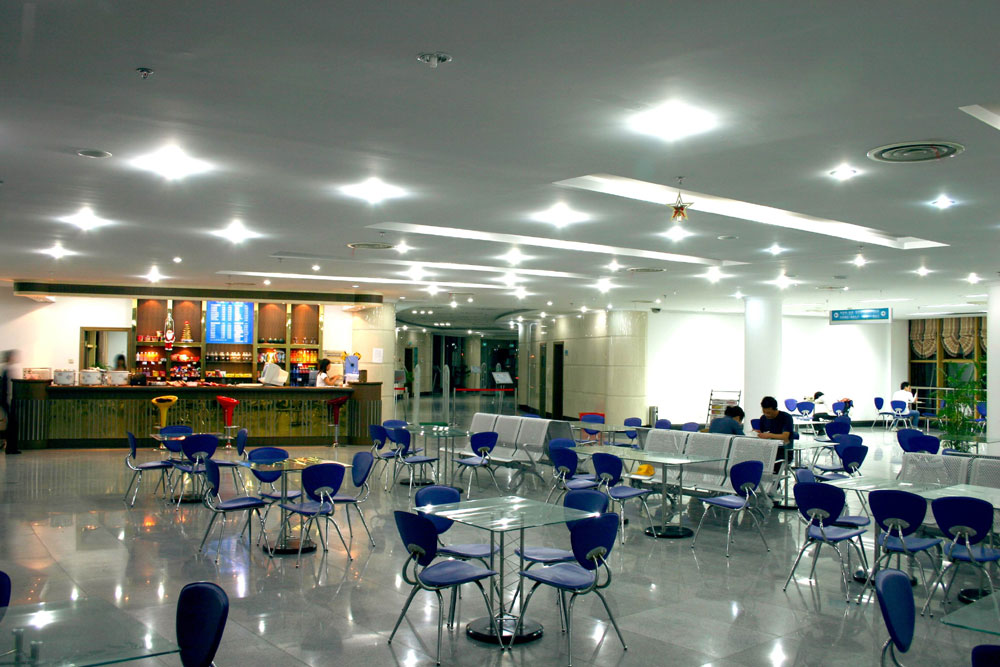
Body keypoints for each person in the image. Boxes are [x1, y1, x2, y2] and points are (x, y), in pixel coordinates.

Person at [754, 396, 794, 469]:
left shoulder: (786, 417)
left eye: (769, 412)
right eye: (764, 412)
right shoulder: (763, 418)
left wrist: (769, 435)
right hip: (768, 449)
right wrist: (758, 433)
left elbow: (785, 437)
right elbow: (763, 433)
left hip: (783, 451)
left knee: (770, 464)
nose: (767, 415)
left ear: (775, 409)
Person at [1, 350, 22, 454]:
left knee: (11, 423)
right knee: (13, 424)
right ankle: (11, 447)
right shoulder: (10, 369)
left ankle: (10, 447)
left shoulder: (5, 369)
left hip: (5, 400)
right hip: (8, 400)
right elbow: (11, 386)